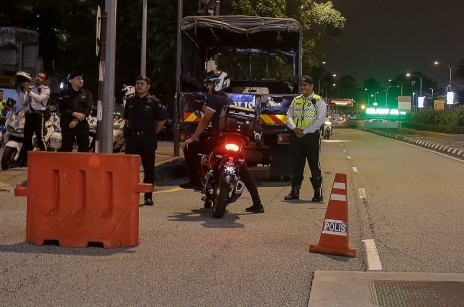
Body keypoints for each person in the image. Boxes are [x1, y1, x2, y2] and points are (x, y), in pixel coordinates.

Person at [182, 70, 264, 213]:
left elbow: (205, 121)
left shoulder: (214, 99)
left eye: (211, 84)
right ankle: (258, 204)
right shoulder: (229, 100)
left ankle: (195, 182)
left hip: (218, 141)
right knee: (244, 170)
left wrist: (192, 138)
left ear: (218, 84)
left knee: (189, 148)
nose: (208, 87)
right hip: (235, 142)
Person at [123, 75, 166, 206]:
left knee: (148, 169)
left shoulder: (154, 102)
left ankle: (148, 196)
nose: (139, 86)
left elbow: (162, 120)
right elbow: (126, 119)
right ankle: (129, 195)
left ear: (148, 86)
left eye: (142, 83)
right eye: (137, 83)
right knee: (129, 168)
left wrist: (152, 133)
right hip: (132, 139)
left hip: (147, 139)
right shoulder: (130, 101)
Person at [284, 75, 327, 202]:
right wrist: (294, 128)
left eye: (305, 85)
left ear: (311, 86)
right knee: (297, 165)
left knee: (314, 165)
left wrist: (305, 131)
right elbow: (288, 116)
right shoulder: (296, 100)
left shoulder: (319, 101)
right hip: (296, 136)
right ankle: (295, 191)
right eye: (301, 85)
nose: (302, 87)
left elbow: (320, 120)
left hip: (311, 137)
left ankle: (317, 193)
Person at [58, 71, 93, 152]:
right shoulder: (64, 93)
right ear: (71, 80)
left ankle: (82, 165)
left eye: (82, 79)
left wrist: (76, 120)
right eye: (78, 78)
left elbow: (88, 109)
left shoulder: (87, 93)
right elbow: (62, 109)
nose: (80, 80)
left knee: (84, 148)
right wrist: (74, 114)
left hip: (81, 124)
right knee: (66, 148)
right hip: (67, 123)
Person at [19, 71, 50, 153]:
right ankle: (27, 158)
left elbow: (40, 99)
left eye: (41, 78)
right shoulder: (30, 88)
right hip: (29, 115)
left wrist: (29, 92)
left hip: (39, 115)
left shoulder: (46, 90)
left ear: (45, 81)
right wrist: (22, 91)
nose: (38, 78)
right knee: (27, 138)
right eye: (38, 76)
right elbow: (23, 102)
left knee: (40, 137)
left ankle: (45, 157)